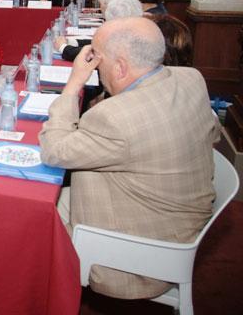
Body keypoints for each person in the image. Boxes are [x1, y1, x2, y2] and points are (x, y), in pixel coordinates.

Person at [39, 17, 218, 300]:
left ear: (120, 67)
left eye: (97, 58)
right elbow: (213, 132)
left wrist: (74, 84)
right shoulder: (191, 78)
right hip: (178, 221)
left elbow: (53, 150)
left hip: (137, 256)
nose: (93, 65)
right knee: (48, 198)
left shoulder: (115, 118)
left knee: (29, 216)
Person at [53, 0, 134, 61]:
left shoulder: (119, 25)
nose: (100, 7)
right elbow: (100, 43)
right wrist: (73, 42)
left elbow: (98, 54)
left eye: (101, 3)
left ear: (109, 4)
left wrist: (63, 47)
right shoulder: (127, 18)